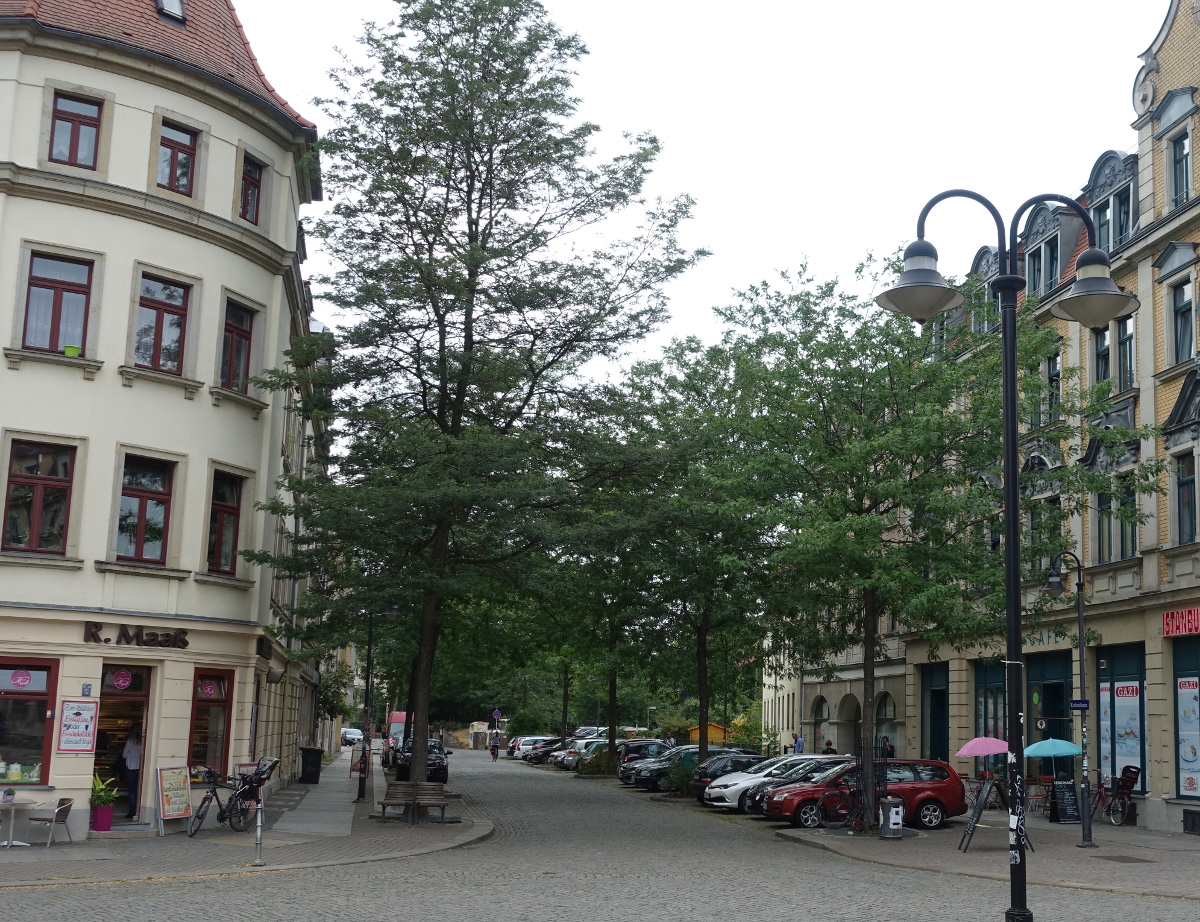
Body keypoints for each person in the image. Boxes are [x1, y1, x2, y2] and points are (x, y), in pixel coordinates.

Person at [122, 726, 143, 820]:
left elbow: (124, 755)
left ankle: (132, 812)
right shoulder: (143, 741)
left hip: (131, 768)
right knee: (140, 790)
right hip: (141, 768)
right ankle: (140, 811)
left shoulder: (130, 741)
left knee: (132, 791)